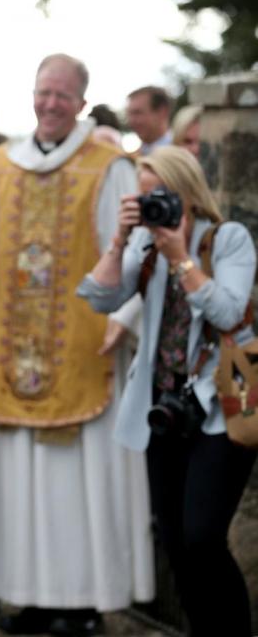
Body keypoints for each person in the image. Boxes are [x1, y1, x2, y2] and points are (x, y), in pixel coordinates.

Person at [0, 54, 155, 635]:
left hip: (87, 349)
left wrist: (127, 314)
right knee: (23, 487)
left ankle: (84, 603)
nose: (51, 103)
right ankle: (28, 597)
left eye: (63, 94)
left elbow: (139, 252)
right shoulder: (2, 165)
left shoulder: (109, 166)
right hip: (16, 352)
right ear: (31, 95)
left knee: (78, 484)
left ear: (81, 101)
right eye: (43, 92)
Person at [78, 145, 256, 636]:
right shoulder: (144, 244)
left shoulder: (228, 239)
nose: (151, 202)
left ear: (186, 192)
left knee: (203, 537)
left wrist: (181, 258)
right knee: (175, 540)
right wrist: (119, 241)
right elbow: (99, 297)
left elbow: (227, 311)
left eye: (159, 193)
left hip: (219, 407)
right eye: (143, 194)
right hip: (164, 410)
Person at [126, 85, 173, 155]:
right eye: (130, 114)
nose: (131, 121)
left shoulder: (184, 153)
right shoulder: (131, 157)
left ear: (162, 112)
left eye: (138, 113)